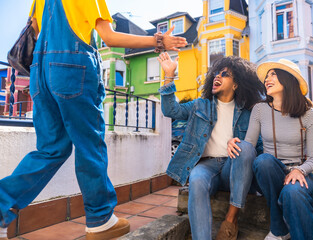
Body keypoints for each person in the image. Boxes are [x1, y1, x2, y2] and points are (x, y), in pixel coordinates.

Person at [0, 1, 187, 240]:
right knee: (90, 145)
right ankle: (100, 219)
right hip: (71, 69)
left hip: (40, 75)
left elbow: (35, 32)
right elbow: (108, 37)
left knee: (50, 150)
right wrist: (158, 41)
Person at [157, 52, 264, 240]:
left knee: (246, 147)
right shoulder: (200, 105)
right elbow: (171, 110)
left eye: (225, 74)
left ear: (236, 84)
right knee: (196, 179)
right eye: (217, 73)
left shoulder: (248, 113)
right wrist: (169, 76)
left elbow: (259, 148)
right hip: (207, 166)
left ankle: (231, 220)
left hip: (233, 168)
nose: (217, 76)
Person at [227, 59, 313, 240]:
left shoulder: (309, 114)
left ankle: (286, 232)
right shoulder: (260, 110)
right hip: (271, 174)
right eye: (267, 75)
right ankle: (279, 228)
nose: (267, 79)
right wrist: (233, 143)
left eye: (274, 74)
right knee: (262, 161)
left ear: (288, 80)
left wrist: (299, 170)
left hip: (301, 176)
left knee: (292, 193)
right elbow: (249, 146)